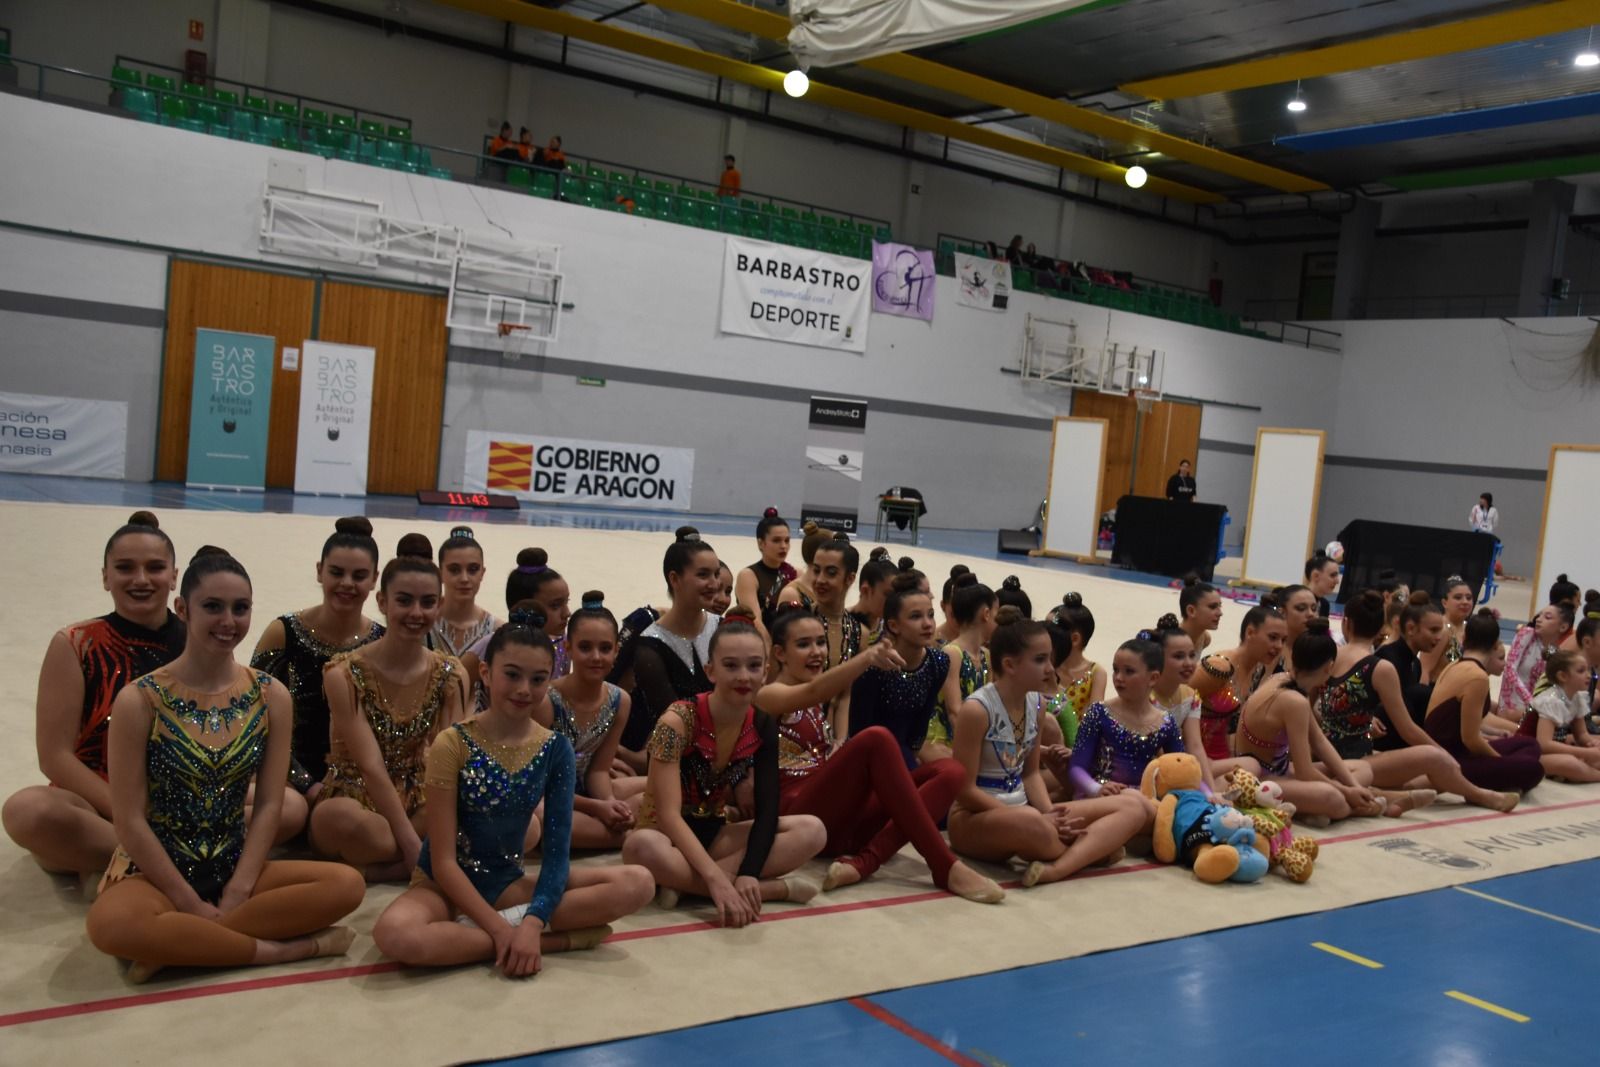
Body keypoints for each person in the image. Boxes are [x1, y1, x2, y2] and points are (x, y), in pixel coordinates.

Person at [85, 548, 365, 983]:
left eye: (240, 608)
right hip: (155, 872)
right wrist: (188, 901)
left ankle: (183, 945)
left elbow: (271, 804)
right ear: (183, 609)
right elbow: (129, 820)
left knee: (347, 885)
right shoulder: (139, 700)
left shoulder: (271, 696)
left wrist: (239, 886)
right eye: (212, 607)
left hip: (235, 864)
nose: (228, 621)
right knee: (110, 925)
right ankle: (284, 951)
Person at [371, 617, 653, 974]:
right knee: (395, 935)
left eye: (538, 679)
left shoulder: (555, 749)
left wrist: (533, 922)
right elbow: (442, 862)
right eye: (513, 675)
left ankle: (482, 939)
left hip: (507, 882)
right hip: (443, 887)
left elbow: (555, 855)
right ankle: (555, 941)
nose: (524, 689)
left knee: (638, 883)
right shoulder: (452, 744)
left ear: (550, 680)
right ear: (486, 673)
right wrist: (502, 930)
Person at [760, 607, 1003, 902]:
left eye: (820, 642)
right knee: (877, 738)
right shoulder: (767, 696)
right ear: (780, 653)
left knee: (951, 772)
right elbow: (814, 692)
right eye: (803, 644)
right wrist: (866, 658)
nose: (816, 652)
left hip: (842, 820)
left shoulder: (818, 696)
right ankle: (944, 865)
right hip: (800, 816)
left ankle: (866, 861)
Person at [4, 512, 187, 878]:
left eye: (154, 568)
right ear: (106, 577)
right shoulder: (77, 644)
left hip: (178, 801)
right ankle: (165, 861)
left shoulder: (198, 641)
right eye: (124, 568)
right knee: (27, 811)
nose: (140, 579)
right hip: (95, 803)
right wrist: (131, 814)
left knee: (287, 807)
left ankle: (139, 859)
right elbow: (54, 757)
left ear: (174, 577)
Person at [621, 616, 827, 926]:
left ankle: (685, 885)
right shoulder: (676, 722)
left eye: (754, 666)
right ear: (710, 671)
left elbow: (768, 809)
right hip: (665, 836)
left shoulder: (762, 723)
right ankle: (771, 890)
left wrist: (748, 872)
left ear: (766, 672)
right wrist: (717, 879)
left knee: (813, 830)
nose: (743, 676)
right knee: (639, 847)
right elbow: (668, 815)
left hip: (715, 833)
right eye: (731, 666)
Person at [947, 607, 1150, 887]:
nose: (1051, 669)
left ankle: (1056, 868)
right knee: (1033, 822)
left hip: (1027, 814)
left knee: (1133, 806)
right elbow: (964, 790)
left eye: (1050, 659)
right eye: (1041, 660)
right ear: (1010, 665)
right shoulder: (977, 710)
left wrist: (1049, 813)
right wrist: (1033, 817)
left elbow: (1029, 775)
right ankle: (1092, 851)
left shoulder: (1038, 705)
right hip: (973, 819)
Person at [309, 553, 470, 881]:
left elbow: (449, 760)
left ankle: (377, 869)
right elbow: (370, 766)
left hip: (419, 793)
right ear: (382, 601)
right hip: (355, 793)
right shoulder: (344, 674)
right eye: (404, 601)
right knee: (338, 818)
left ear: (439, 605)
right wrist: (411, 842)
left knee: (485, 815)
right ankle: (417, 856)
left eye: (427, 602)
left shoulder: (451, 673)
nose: (416, 613)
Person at [1317, 590, 1518, 812]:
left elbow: (1313, 709)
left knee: (1438, 775)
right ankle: (1482, 795)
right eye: (1433, 630)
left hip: (1331, 752)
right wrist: (1442, 753)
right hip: (1354, 758)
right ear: (1381, 627)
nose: (1438, 636)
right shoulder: (1380, 667)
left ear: (1346, 623)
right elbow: (1407, 730)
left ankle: (1391, 797)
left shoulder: (1329, 656)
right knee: (1437, 761)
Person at [1234, 620, 1430, 822]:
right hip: (1260, 779)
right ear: (1330, 667)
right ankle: (1363, 804)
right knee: (1332, 798)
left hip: (1280, 769)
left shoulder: (1284, 680)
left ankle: (1357, 799)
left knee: (1362, 770)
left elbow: (1319, 742)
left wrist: (1352, 785)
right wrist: (1346, 790)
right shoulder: (1294, 701)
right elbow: (1305, 772)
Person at [250, 517, 384, 797]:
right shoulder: (283, 633)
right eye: (336, 572)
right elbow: (254, 718)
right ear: (320, 571)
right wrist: (305, 783)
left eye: (359, 576)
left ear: (374, 580)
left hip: (359, 783)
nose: (347, 584)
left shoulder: (382, 642)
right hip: (286, 776)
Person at [545, 593, 643, 850]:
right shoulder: (547, 700)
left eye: (605, 648)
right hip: (548, 798)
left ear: (616, 651)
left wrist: (611, 804)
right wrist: (598, 808)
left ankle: (612, 833)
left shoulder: (619, 700)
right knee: (542, 819)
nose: (596, 657)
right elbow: (539, 783)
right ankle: (624, 838)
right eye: (585, 647)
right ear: (568, 648)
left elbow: (598, 770)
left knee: (662, 789)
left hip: (589, 790)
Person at [617, 530, 723, 764]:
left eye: (716, 574)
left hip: (726, 745)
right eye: (703, 575)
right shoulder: (650, 646)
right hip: (674, 758)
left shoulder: (723, 630)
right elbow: (676, 722)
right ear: (674, 579)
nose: (714, 584)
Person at [1424, 611, 1545, 793]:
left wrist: (1493, 737)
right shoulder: (1477, 677)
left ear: (1464, 638)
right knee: (1534, 769)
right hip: (1451, 758)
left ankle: (1503, 774)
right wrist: (1500, 762)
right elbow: (1471, 740)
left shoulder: (1454, 664)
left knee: (1529, 744)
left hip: (1452, 749)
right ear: (1496, 644)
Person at [848, 574, 962, 767]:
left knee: (952, 771)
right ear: (894, 625)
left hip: (906, 754)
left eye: (931, 615)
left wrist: (911, 759)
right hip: (867, 756)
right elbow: (859, 730)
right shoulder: (875, 665)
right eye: (915, 616)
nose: (927, 623)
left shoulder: (938, 662)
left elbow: (920, 725)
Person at [1147, 615, 1260, 792]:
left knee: (1252, 764)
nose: (1189, 663)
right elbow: (1156, 752)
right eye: (1178, 656)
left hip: (1182, 761)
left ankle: (1210, 790)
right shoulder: (1147, 695)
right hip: (1151, 767)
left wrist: (1211, 791)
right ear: (1158, 659)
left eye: (1192, 656)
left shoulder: (1190, 696)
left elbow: (1195, 745)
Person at [1068, 638, 1185, 797]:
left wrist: (1209, 794)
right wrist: (1096, 788)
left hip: (1144, 799)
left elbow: (1183, 766)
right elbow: (1076, 767)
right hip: (1101, 797)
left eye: (1128, 671)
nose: (1119, 677)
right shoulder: (1098, 713)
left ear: (1153, 678)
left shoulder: (1165, 723)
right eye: (1116, 670)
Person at [462, 547, 570, 706]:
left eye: (566, 602)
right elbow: (455, 686)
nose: (567, 613)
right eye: (555, 606)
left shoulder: (563, 645)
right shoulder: (493, 644)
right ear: (525, 604)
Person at [775, 535, 864, 724]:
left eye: (831, 573)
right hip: (790, 725)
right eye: (816, 571)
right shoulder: (797, 620)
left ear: (850, 578)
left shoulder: (858, 631)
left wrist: (839, 740)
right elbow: (775, 678)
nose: (820, 580)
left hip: (831, 731)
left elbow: (844, 695)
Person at [1191, 604, 1286, 761]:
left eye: (1283, 640)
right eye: (1273, 637)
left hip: (1225, 756)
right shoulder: (1219, 667)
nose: (1279, 646)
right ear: (1250, 633)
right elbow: (1173, 704)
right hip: (1196, 758)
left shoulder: (1259, 669)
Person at [926, 574, 995, 751]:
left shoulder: (986, 655)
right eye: (997, 614)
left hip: (974, 737)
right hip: (943, 740)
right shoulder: (952, 653)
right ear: (986, 615)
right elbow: (955, 712)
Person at [1370, 592, 1444, 751]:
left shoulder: (1414, 664)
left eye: (1440, 631)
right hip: (1376, 742)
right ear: (1410, 628)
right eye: (1433, 630)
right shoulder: (1387, 659)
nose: (1439, 637)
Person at [1516, 650, 1600, 782]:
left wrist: (1592, 744)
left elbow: (1582, 735)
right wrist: (1586, 753)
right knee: (1570, 763)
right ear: (1562, 676)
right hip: (1528, 752)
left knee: (1593, 753)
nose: (1589, 675)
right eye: (1581, 671)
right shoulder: (1551, 701)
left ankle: (1576, 772)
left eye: (1588, 670)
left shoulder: (1577, 697)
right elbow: (1544, 744)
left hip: (1554, 749)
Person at [431, 526, 499, 658]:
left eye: (473, 569)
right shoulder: (423, 624)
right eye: (454, 570)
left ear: (482, 573)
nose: (464, 578)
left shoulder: (496, 631)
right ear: (439, 574)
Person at [1046, 592, 1106, 737]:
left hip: (1075, 744)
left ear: (1074, 639)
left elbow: (1093, 722)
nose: (1043, 634)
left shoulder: (1096, 672)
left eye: (1050, 631)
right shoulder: (1046, 666)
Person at [1500, 604, 1570, 722]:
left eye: (1547, 617)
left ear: (1563, 627)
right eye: (1539, 615)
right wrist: (1531, 701)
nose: (1538, 619)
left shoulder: (1557, 652)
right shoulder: (1527, 634)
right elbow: (1509, 669)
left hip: (1536, 708)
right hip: (1512, 704)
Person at [734, 508, 795, 640]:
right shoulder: (748, 576)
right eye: (777, 540)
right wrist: (770, 653)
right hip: (758, 643)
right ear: (761, 543)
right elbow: (755, 622)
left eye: (787, 540)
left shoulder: (796, 574)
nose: (783, 546)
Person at [1420, 576, 1475, 683]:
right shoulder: (1440, 630)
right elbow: (1424, 669)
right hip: (1438, 691)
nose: (1465, 602)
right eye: (1458, 597)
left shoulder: (1470, 628)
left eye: (1469, 598)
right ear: (1444, 603)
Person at [848, 548, 898, 635]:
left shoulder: (891, 627)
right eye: (888, 595)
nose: (893, 602)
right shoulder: (841, 623)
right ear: (865, 591)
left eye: (896, 595)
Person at [1178, 575, 1224, 653]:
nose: (1220, 613)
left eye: (1220, 606)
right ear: (1191, 611)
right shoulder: (1168, 639)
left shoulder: (1205, 639)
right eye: (1212, 607)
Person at [1304, 552, 1340, 618]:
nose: (1337, 581)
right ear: (1316, 576)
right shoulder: (1295, 601)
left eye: (1337, 576)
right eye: (1332, 575)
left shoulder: (1324, 605)